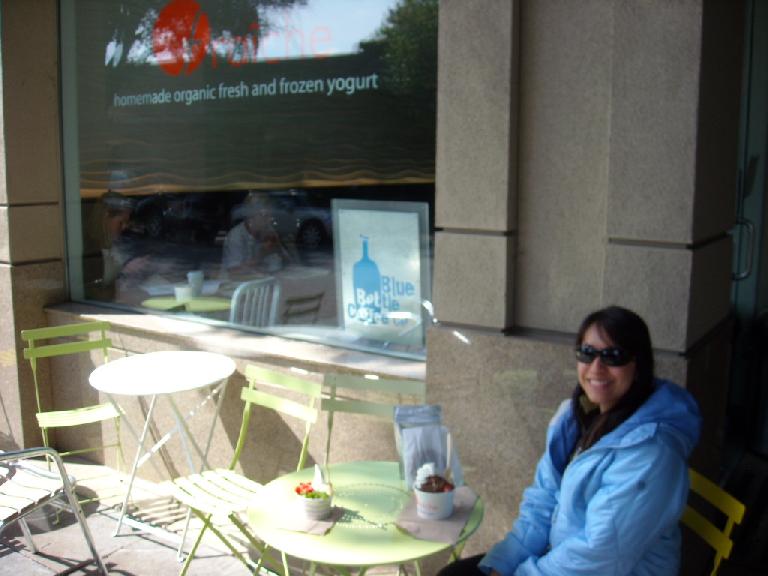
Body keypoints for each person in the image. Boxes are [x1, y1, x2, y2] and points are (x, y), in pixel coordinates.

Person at [439, 305, 702, 576]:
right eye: (587, 353)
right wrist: (503, 563)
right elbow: (542, 502)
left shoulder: (651, 454)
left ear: (639, 365)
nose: (597, 368)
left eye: (614, 356)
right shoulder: (577, 418)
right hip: (561, 557)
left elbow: (598, 555)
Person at [221, 191, 294, 277]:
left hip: (266, 283)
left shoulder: (268, 230)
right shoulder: (236, 236)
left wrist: (278, 247)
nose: (269, 219)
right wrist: (260, 255)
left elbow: (290, 264)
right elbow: (234, 272)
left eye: (270, 215)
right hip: (240, 287)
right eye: (264, 215)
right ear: (251, 215)